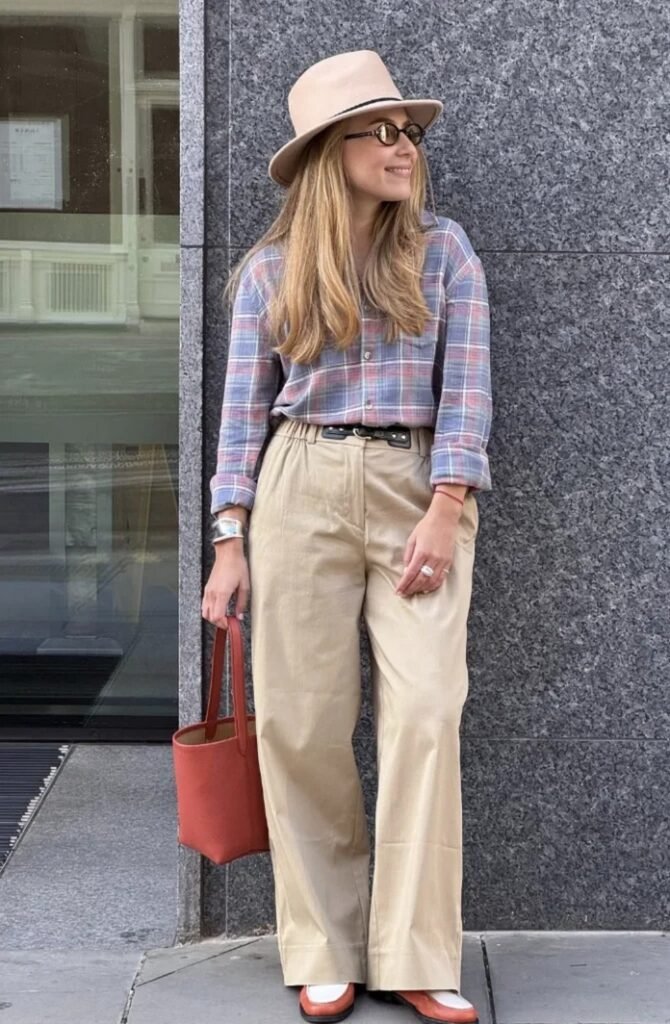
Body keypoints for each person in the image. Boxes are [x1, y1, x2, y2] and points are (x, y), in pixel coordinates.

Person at [201, 50, 492, 1024]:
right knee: (300, 722)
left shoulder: (444, 252)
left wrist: (445, 509)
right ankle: (322, 943)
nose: (404, 147)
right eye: (383, 131)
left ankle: (414, 948)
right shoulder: (271, 274)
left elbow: (468, 398)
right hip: (300, 483)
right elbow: (243, 415)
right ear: (333, 151)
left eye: (409, 132)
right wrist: (229, 538)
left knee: (423, 711)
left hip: (419, 485)